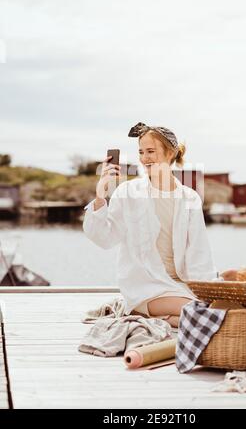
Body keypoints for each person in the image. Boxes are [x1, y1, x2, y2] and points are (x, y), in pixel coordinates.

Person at [83, 122, 217, 328]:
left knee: (213, 310)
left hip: (181, 285)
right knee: (202, 313)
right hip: (146, 286)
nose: (145, 158)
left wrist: (208, 290)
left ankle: (156, 318)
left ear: (170, 153)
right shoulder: (128, 192)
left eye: (151, 151)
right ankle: (145, 309)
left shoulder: (189, 198)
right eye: (141, 152)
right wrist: (101, 196)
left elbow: (199, 252)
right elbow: (105, 238)